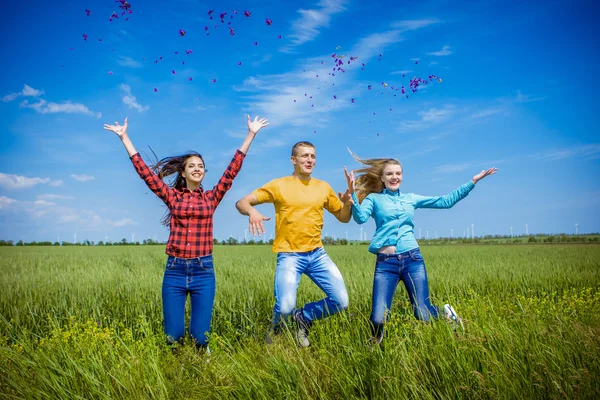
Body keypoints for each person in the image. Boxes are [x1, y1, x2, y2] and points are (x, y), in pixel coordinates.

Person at [103, 115, 269, 350]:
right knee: (173, 338)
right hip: (175, 271)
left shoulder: (211, 198)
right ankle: (178, 369)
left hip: (203, 271)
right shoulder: (173, 197)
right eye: (192, 166)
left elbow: (232, 171)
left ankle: (202, 358)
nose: (197, 169)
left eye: (201, 166)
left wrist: (251, 134)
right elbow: (147, 175)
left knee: (200, 339)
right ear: (182, 173)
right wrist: (125, 138)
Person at [345, 151, 497, 344]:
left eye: (398, 173)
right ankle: (377, 340)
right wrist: (352, 199)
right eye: (390, 174)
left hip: (412, 260)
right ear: (382, 178)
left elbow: (445, 202)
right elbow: (360, 219)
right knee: (377, 318)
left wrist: (472, 182)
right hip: (386, 265)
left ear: (402, 176)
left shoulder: (411, 198)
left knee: (422, 314)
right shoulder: (374, 199)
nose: (395, 177)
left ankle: (445, 312)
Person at [235, 141, 353, 347]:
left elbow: (343, 218)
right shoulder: (278, 185)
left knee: (341, 302)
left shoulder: (323, 187)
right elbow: (242, 202)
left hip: (317, 254)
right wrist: (252, 211)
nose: (310, 160)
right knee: (285, 307)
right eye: (305, 156)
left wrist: (348, 202)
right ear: (293, 160)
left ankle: (304, 317)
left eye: (313, 156)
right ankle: (276, 332)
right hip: (290, 255)